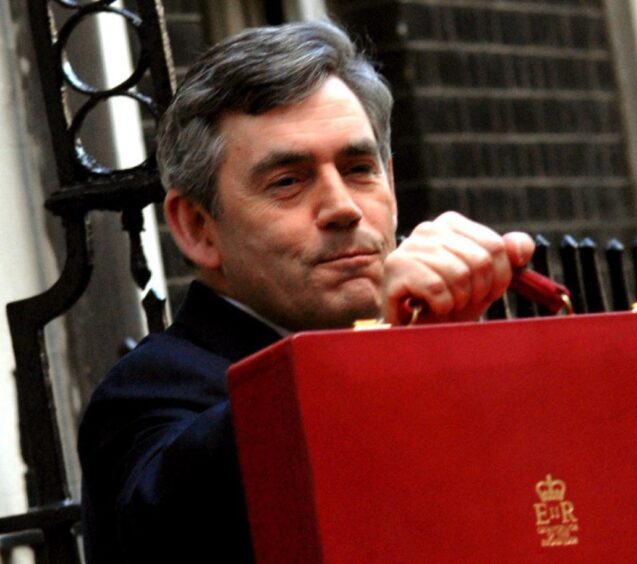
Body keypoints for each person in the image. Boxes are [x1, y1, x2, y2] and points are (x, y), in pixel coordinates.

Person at [77, 19, 533, 563]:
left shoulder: (443, 351)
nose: (342, 207)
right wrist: (387, 357)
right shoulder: (148, 391)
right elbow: (173, 521)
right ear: (198, 227)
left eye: (359, 169)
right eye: (288, 181)